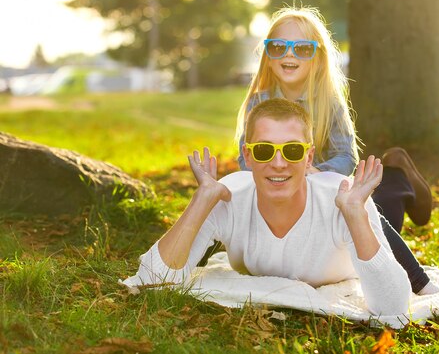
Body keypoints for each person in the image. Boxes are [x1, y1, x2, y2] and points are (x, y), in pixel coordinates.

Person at [234, 6, 439, 296]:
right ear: (268, 55)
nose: (289, 55)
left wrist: (316, 173)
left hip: (325, 189)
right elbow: (244, 158)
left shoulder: (327, 100)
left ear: (317, 56)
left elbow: (346, 155)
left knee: (373, 221)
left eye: (301, 49)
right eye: (278, 47)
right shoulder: (257, 103)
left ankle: (418, 279)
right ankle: (398, 178)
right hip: (285, 192)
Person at [128, 98, 411, 316]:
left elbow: (394, 306)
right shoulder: (228, 197)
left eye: (292, 150)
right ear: (247, 156)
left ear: (309, 155)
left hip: (347, 206)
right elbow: (151, 280)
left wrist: (356, 215)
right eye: (264, 150)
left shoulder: (346, 199)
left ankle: (400, 175)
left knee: (392, 204)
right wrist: (201, 200)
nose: (278, 163)